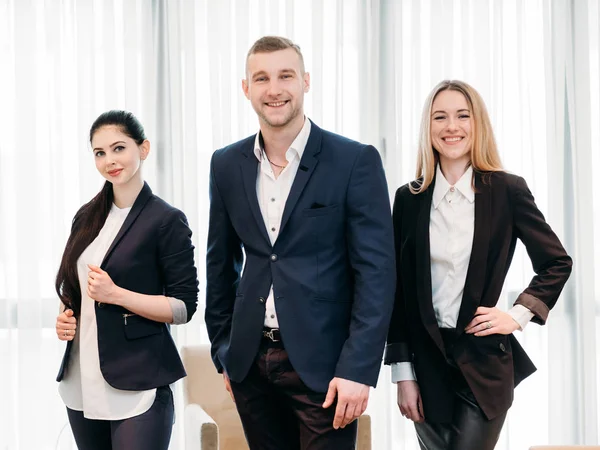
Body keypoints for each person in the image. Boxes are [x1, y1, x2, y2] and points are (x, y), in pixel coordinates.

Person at [205, 36, 396, 450]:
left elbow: (376, 274)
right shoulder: (225, 164)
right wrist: (224, 350)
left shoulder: (353, 161)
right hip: (250, 364)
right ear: (246, 88)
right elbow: (220, 263)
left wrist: (359, 369)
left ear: (306, 82)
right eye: (262, 78)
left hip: (327, 370)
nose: (274, 89)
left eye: (285, 76)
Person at [384, 80, 573, 450]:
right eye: (440, 117)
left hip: (484, 366)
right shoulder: (408, 199)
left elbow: (556, 261)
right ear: (428, 127)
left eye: (462, 116)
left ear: (477, 124)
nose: (451, 126)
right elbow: (398, 295)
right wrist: (402, 373)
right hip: (426, 369)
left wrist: (516, 315)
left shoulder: (507, 191)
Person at [54, 110, 199, 450]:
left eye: (119, 148)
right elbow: (73, 284)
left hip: (139, 380)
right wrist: (65, 315)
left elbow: (182, 307)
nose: (110, 160)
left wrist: (117, 294)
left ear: (143, 149)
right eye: (99, 153)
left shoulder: (166, 220)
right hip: (81, 377)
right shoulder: (86, 216)